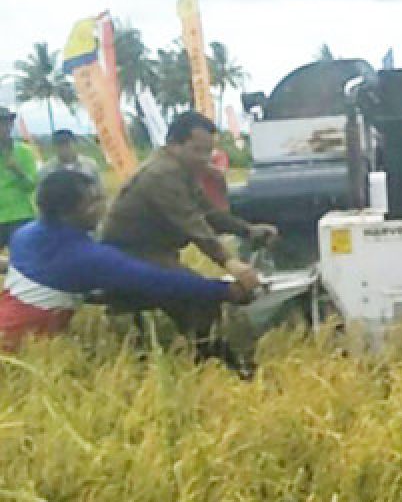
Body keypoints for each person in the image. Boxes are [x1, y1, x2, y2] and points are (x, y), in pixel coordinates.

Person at [0, 170, 252, 356]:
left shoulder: (26, 234)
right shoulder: (87, 257)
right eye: (94, 202)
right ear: (68, 213)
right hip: (18, 345)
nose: (103, 206)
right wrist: (223, 290)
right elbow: (160, 280)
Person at [100, 111, 277, 366]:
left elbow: (208, 213)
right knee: (201, 295)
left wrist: (248, 230)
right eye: (197, 150)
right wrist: (231, 263)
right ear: (174, 144)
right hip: (130, 257)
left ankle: (208, 353)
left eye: (208, 151)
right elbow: (192, 224)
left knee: (200, 294)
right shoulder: (162, 174)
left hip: (155, 254)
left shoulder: (183, 170)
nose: (204, 158)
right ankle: (209, 359)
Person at [0, 107, 39, 249]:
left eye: (5, 123)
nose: (2, 128)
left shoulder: (24, 152)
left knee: (23, 260)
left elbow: (32, 186)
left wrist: (18, 171)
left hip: (20, 215)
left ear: (10, 125)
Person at [36, 129, 101, 183]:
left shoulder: (90, 165)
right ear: (54, 147)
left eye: (67, 143)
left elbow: (99, 190)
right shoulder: (47, 170)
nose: (64, 147)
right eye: (60, 144)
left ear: (75, 143)